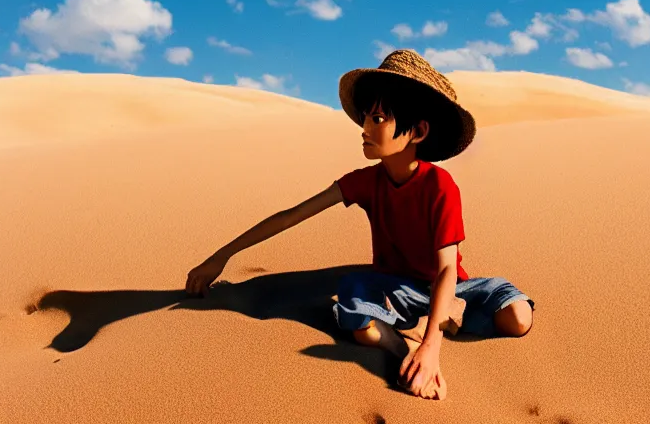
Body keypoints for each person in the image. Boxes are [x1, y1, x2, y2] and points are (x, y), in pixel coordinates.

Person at [185, 49, 535, 400]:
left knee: (519, 318)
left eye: (378, 118)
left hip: (452, 289)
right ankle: (407, 352)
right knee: (355, 312)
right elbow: (290, 216)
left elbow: (446, 270)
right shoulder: (363, 182)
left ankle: (431, 326)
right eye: (366, 116)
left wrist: (433, 345)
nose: (365, 127)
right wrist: (222, 255)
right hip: (393, 290)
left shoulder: (439, 185)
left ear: (418, 131)